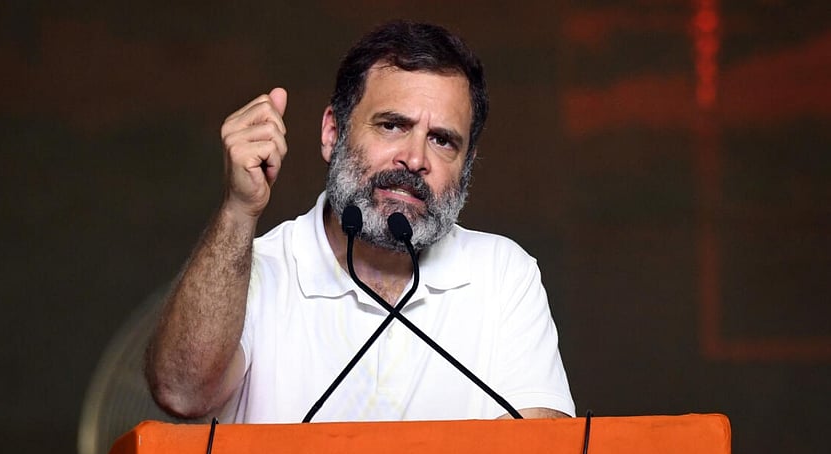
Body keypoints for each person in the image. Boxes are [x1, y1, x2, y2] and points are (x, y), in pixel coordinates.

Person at [146, 20, 575, 423]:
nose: (414, 159)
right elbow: (182, 394)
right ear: (333, 133)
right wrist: (239, 210)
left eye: (442, 140)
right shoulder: (258, 270)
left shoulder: (502, 275)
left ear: (466, 166)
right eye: (391, 126)